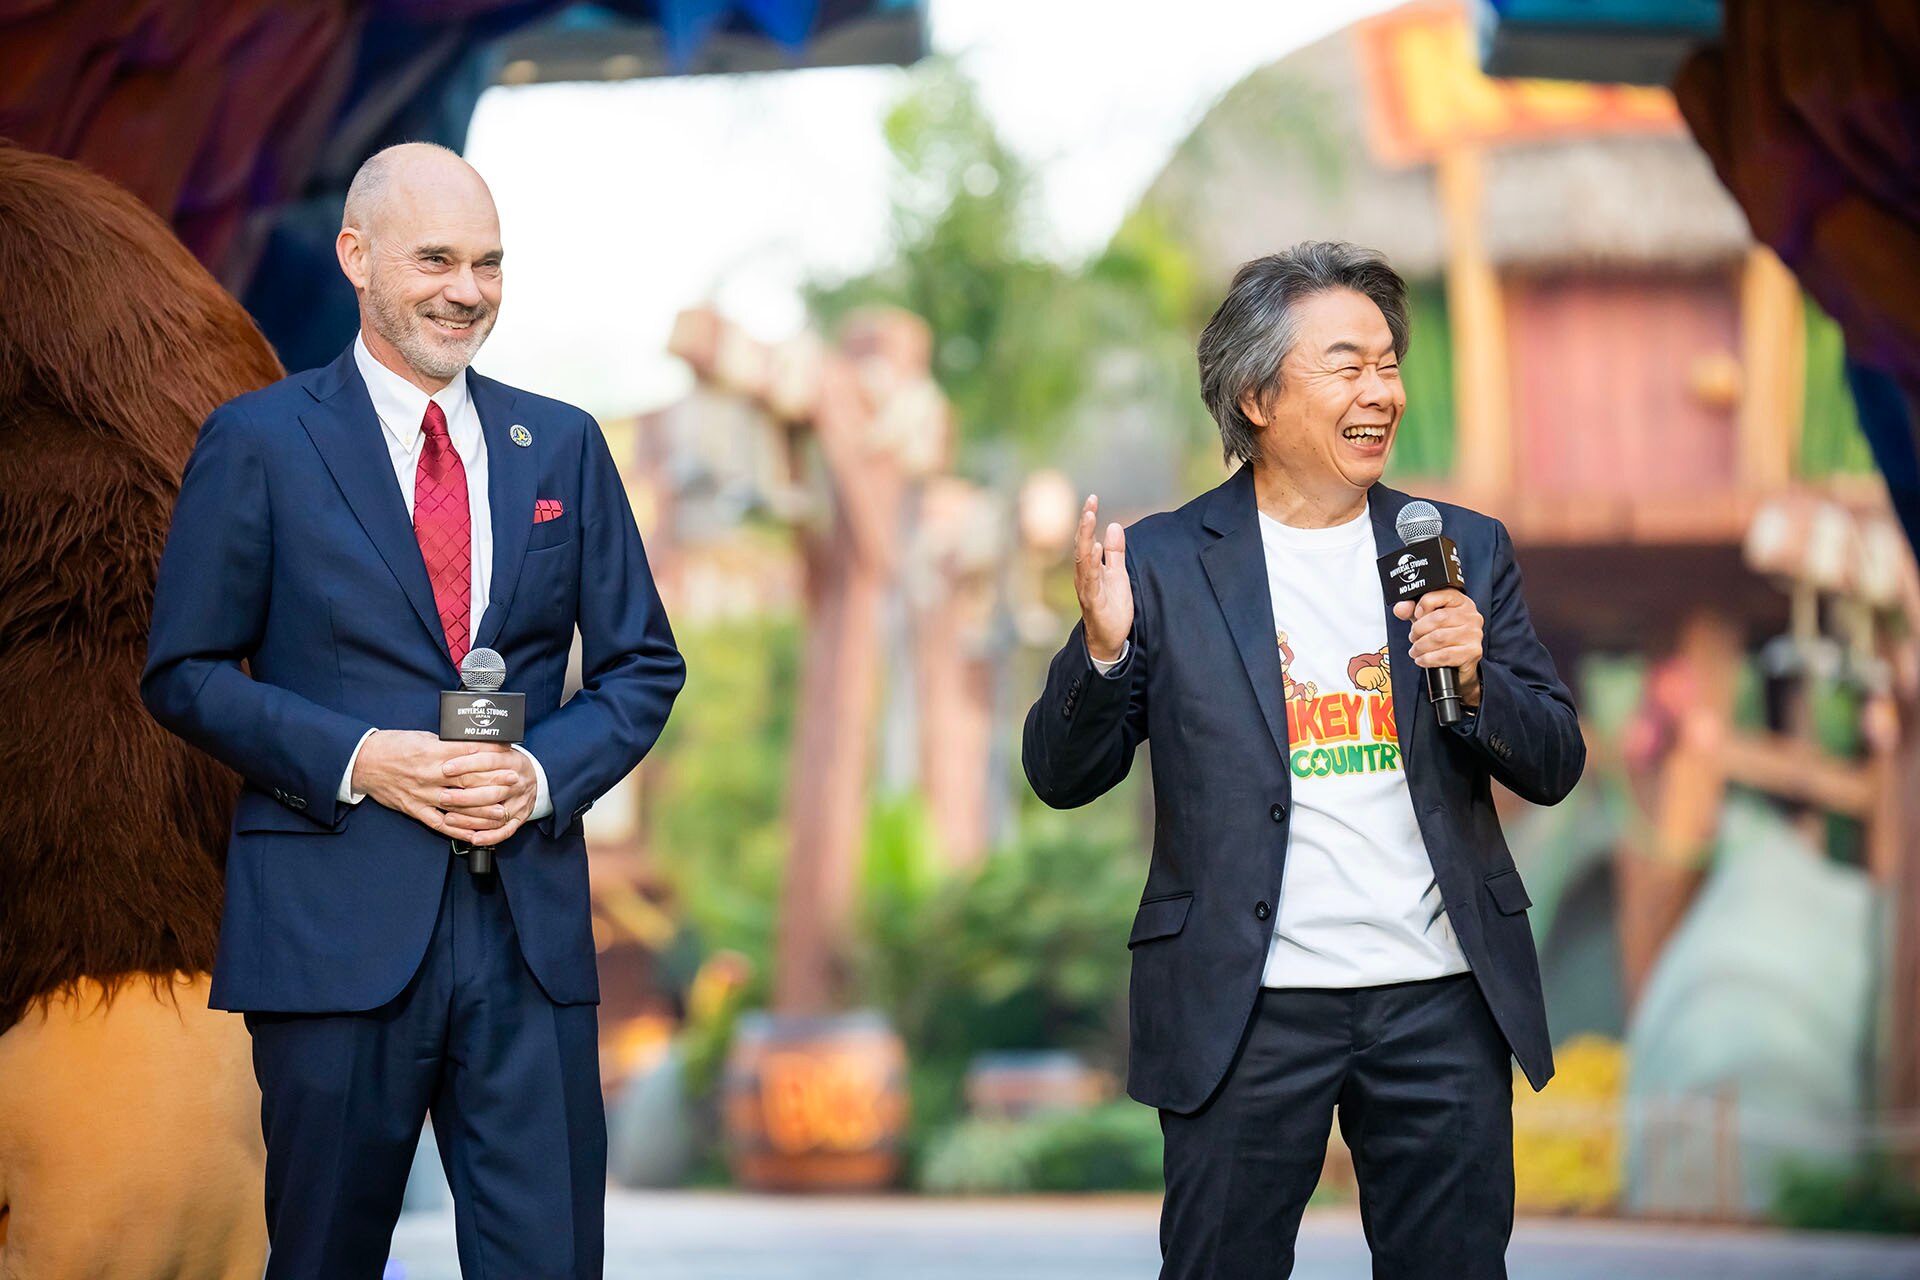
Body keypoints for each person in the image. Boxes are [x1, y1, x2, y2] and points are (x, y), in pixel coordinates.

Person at [142, 142, 684, 1278]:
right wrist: (361, 758)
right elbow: (183, 673)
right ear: (356, 256)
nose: (467, 290)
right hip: (330, 936)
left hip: (528, 937)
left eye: (489, 263)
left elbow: (642, 666)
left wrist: (540, 772)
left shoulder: (565, 445)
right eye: (436, 259)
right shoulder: (259, 442)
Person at [1023, 242, 1583, 1279]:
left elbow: (1553, 760)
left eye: (1389, 365)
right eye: (1347, 366)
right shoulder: (1163, 562)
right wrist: (1102, 651)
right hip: (1247, 1002)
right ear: (1256, 397)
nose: (1382, 392)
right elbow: (1062, 775)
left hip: (1439, 994)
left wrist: (1476, 677)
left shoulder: (1459, 548)